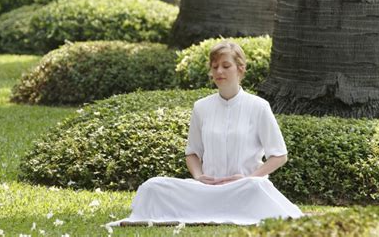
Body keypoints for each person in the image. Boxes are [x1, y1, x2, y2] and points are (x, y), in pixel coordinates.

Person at [109, 40, 303, 226]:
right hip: (207, 190)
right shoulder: (201, 107)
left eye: (226, 66)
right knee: (153, 185)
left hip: (244, 190)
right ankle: (210, 205)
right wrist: (199, 176)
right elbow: (192, 152)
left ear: (240, 69)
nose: (219, 71)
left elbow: (279, 155)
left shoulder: (259, 106)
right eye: (215, 66)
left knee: (258, 187)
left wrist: (250, 178)